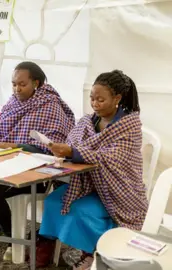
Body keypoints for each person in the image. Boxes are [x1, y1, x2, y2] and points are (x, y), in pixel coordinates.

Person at [0, 61, 75, 260]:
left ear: (36, 83)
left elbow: (51, 149)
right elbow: (3, 136)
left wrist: (16, 146)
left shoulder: (50, 105)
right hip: (4, 164)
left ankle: (14, 240)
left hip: (35, 172)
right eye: (13, 84)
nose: (16, 89)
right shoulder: (13, 102)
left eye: (22, 84)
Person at [37, 70, 148, 269]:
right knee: (54, 200)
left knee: (79, 209)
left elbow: (110, 158)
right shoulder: (88, 122)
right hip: (89, 184)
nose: (95, 103)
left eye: (100, 99)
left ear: (117, 98)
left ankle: (96, 253)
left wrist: (73, 151)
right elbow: (73, 142)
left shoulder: (130, 126)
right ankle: (48, 246)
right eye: (92, 98)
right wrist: (64, 150)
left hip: (121, 191)